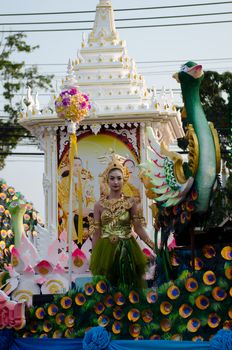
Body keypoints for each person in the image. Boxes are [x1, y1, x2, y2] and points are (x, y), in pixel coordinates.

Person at [89, 153, 155, 288]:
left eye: (119, 178)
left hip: (127, 249)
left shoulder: (131, 202)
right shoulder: (98, 205)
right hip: (105, 250)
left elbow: (138, 228)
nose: (115, 182)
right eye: (112, 178)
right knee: (106, 289)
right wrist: (95, 257)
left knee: (128, 288)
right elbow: (96, 233)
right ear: (107, 180)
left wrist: (154, 246)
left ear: (124, 179)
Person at [58, 156, 95, 245]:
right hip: (72, 211)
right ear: (70, 166)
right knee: (72, 219)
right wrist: (77, 210)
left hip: (86, 211)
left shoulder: (86, 182)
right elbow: (63, 199)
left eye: (79, 165)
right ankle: (74, 246)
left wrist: (88, 209)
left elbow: (92, 199)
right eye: (74, 165)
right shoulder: (63, 182)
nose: (77, 167)